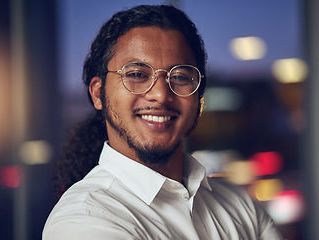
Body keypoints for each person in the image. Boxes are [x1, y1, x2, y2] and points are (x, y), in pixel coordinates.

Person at [43, 5, 283, 240]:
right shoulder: (83, 219)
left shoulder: (238, 203)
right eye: (136, 74)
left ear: (199, 95)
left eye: (180, 77)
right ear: (98, 94)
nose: (161, 94)